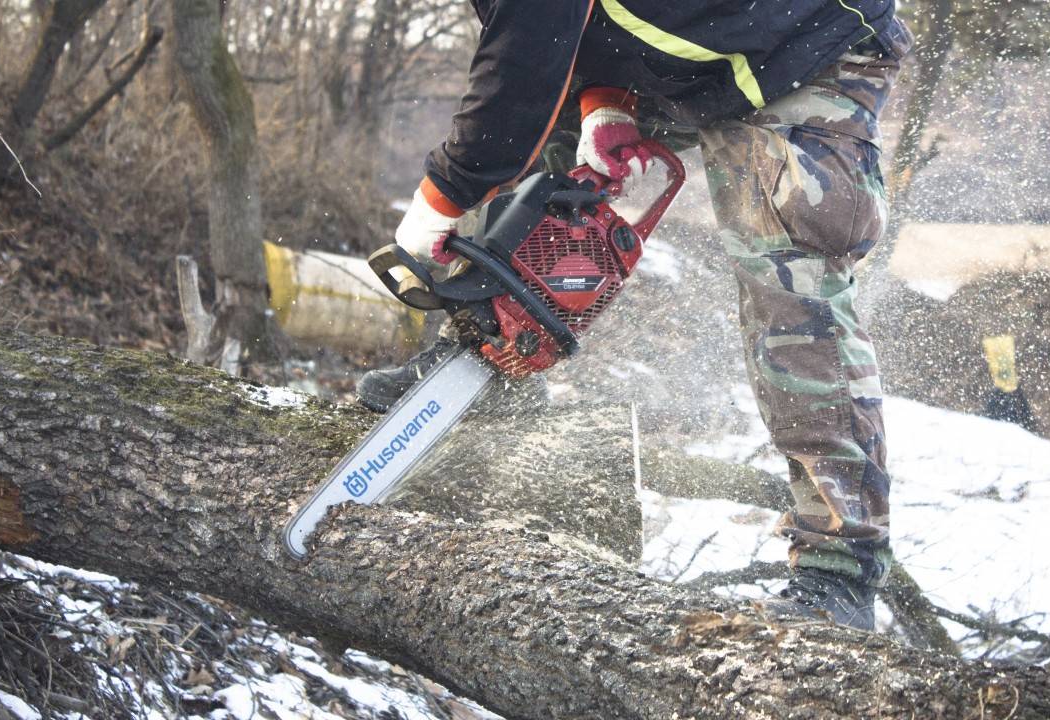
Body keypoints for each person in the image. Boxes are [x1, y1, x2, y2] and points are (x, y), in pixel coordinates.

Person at [359, 0, 913, 631]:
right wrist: (607, 102)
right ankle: (485, 362)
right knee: (557, 146)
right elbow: (576, 30)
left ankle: (840, 568)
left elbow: (520, 70)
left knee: (787, 275)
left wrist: (445, 194)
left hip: (806, 44)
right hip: (700, 55)